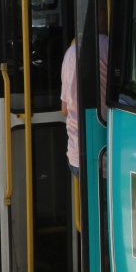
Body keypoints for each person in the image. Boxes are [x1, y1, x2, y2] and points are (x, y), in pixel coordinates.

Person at [60, 39, 78, 178]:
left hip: (75, 153)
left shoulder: (70, 54)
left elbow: (64, 110)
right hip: (103, 155)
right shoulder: (109, 46)